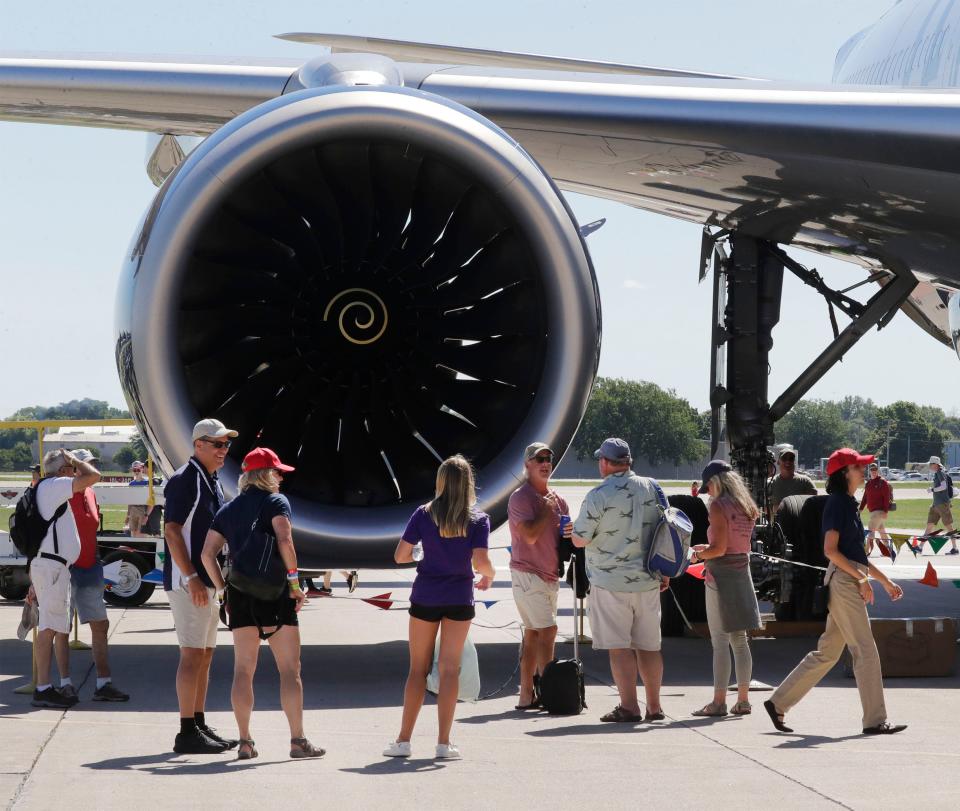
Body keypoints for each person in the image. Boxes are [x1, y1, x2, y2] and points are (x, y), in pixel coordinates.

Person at [764, 448, 907, 736]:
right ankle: (875, 720)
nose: (864, 471)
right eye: (858, 467)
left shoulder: (849, 504)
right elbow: (831, 551)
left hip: (848, 578)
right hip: (845, 582)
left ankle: (778, 702)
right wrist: (862, 581)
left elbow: (857, 556)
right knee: (865, 650)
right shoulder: (838, 505)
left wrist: (883, 581)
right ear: (844, 473)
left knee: (827, 653)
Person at [201, 447, 324, 761]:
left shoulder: (228, 509)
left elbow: (207, 554)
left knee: (243, 670)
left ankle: (245, 741)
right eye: (278, 472)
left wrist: (222, 590)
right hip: (275, 594)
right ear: (266, 474)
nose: (281, 477)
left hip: (240, 595)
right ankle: (298, 741)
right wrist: (296, 586)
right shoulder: (276, 502)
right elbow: (285, 540)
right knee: (290, 671)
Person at [384, 455, 495, 760]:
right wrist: (490, 574)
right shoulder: (478, 520)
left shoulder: (423, 514)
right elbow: (481, 561)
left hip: (426, 597)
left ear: (440, 482)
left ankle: (403, 740)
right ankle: (444, 743)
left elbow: (400, 556)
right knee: (449, 671)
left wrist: (426, 555)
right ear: (469, 484)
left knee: (417, 671)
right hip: (459, 597)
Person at [571, 438, 668, 724]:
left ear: (604, 462)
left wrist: (572, 532)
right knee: (650, 646)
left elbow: (580, 538)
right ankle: (654, 706)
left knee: (620, 647)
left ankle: (629, 707)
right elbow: (666, 529)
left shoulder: (599, 495)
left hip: (610, 582)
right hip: (649, 579)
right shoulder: (653, 487)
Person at [162, 418, 238, 754]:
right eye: (218, 444)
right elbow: (172, 531)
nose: (224, 450)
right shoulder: (185, 480)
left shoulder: (211, 481)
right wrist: (191, 576)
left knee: (205, 656)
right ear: (198, 445)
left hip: (206, 581)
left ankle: (198, 722)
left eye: (226, 445)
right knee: (192, 655)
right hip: (188, 581)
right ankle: (186, 731)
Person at [689, 460, 761, 717]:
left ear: (716, 482)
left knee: (719, 641)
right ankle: (743, 700)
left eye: (708, 486)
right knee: (740, 641)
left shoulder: (719, 506)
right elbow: (735, 544)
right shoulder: (746, 506)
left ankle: (718, 702)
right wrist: (706, 550)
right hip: (742, 573)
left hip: (720, 577)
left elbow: (719, 549)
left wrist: (698, 556)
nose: (709, 492)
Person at [30, 449, 100, 709]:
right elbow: (93, 476)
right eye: (71, 468)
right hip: (52, 568)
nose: (75, 472)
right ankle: (43, 688)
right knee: (49, 628)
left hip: (53, 567)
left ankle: (46, 686)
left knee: (53, 626)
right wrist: (73, 459)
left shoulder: (48, 487)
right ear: (62, 471)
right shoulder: (55, 485)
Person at [62, 449, 129, 702]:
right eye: (87, 465)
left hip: (90, 566)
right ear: (74, 468)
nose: (92, 469)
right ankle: (64, 683)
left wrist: (96, 560)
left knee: (100, 625)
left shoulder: (90, 492)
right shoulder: (62, 491)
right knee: (61, 629)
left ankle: (103, 683)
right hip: (66, 568)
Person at [507, 442, 570, 710]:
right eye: (539, 459)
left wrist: (570, 535)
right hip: (527, 573)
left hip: (550, 575)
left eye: (549, 459)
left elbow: (562, 539)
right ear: (527, 465)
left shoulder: (560, 500)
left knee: (533, 634)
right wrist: (545, 511)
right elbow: (529, 536)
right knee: (549, 631)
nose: (546, 463)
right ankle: (549, 693)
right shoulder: (520, 498)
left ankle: (526, 695)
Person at [767, 447, 817, 519]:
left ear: (794, 462)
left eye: (791, 459)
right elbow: (764, 508)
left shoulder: (805, 482)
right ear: (778, 462)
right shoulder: (770, 483)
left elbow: (814, 506)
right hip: (777, 526)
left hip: (800, 525)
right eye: (784, 459)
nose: (788, 461)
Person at [924, 456, 958, 555]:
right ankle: (920, 547)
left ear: (935, 464)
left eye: (931, 464)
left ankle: (955, 548)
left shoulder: (940, 473)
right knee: (929, 525)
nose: (929, 465)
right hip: (936, 504)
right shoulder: (937, 474)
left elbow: (943, 486)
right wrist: (933, 489)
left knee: (949, 526)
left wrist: (932, 489)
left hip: (942, 504)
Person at [859, 462, 893, 556]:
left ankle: (866, 552)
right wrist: (861, 509)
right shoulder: (869, 483)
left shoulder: (882, 482)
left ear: (878, 471)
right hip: (872, 512)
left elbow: (886, 498)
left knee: (871, 530)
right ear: (869, 471)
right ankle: (889, 550)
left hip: (879, 511)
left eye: (875, 470)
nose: (873, 472)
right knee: (881, 530)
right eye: (872, 470)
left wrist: (885, 511)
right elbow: (865, 497)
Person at [126, 461, 150, 537]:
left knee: (142, 533)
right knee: (133, 533)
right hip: (133, 509)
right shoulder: (131, 484)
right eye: (134, 470)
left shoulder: (147, 482)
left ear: (142, 469)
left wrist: (147, 514)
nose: (136, 472)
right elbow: (130, 499)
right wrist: (128, 514)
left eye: (138, 470)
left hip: (143, 509)